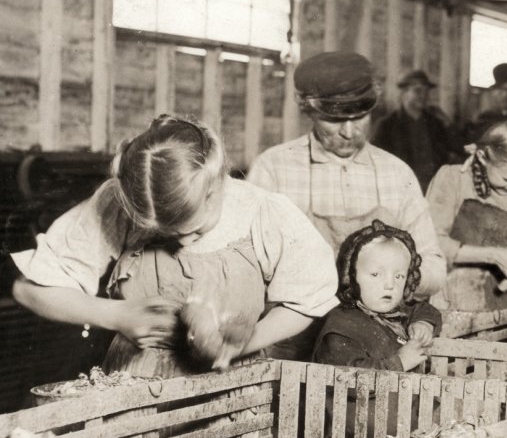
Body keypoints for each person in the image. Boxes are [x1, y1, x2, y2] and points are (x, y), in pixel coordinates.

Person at [11, 115, 339, 377]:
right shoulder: (114, 203)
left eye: (194, 231)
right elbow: (30, 291)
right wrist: (115, 314)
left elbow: (306, 300)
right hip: (133, 383)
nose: (182, 243)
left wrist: (244, 342)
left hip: (234, 383)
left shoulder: (263, 211)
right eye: (164, 234)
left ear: (217, 185)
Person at [246, 51, 445, 359]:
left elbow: (434, 266)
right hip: (291, 347)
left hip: (372, 352)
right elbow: (248, 271)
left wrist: (390, 273)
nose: (349, 132)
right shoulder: (273, 170)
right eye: (335, 119)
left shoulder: (396, 174)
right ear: (307, 109)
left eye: (360, 117)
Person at [425, 119, 507, 311]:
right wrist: (492, 255)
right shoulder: (454, 180)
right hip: (453, 301)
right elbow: (430, 243)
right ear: (482, 156)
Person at [313, 220, 441, 372]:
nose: (389, 284)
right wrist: (400, 362)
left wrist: (423, 324)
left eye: (399, 276)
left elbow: (425, 309)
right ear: (352, 276)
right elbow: (349, 380)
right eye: (375, 274)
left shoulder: (396, 312)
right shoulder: (340, 328)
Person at [371, 69, 457, 193]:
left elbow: (455, 150)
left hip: (433, 190)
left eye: (426, 91)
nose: (424, 96)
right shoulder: (386, 125)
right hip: (400, 191)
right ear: (403, 93)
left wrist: (448, 123)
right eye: (418, 91)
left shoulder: (436, 124)